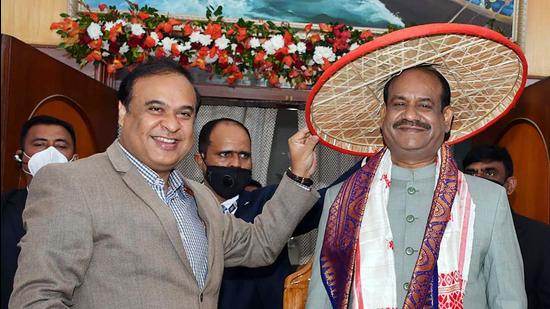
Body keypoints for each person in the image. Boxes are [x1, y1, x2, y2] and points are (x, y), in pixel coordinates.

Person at [9, 58, 320, 309]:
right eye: (156, 109)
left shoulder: (198, 197)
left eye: (184, 113)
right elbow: (37, 300)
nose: (172, 125)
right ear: (122, 112)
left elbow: (259, 245)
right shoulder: (72, 184)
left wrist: (299, 172)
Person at [307, 65, 526, 308]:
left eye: (424, 105)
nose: (410, 115)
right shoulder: (343, 199)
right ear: (383, 115)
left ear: (446, 118)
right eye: (399, 104)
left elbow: (509, 299)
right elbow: (322, 298)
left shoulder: (488, 199)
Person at [194, 118, 323, 309]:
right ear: (200, 160)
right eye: (225, 154)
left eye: (244, 156)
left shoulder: (268, 204)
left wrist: (370, 163)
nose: (236, 163)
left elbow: (332, 198)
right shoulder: (186, 208)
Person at [1, 115, 78, 309]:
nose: (50, 152)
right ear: (21, 156)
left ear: (75, 159)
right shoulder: (4, 207)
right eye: (40, 144)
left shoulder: (94, 210)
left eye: (60, 145)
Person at [463, 145, 550, 309]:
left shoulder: (540, 238)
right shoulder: (450, 230)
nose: (479, 181)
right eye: (471, 174)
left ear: (510, 185)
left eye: (489, 173)